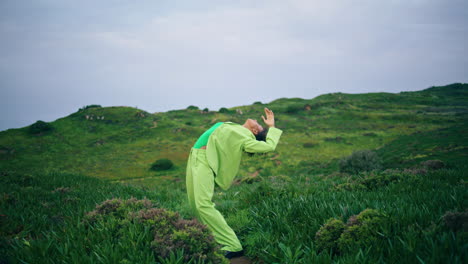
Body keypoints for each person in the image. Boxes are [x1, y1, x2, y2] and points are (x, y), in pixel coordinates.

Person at [186, 108, 283, 259]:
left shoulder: (246, 137)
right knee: (194, 204)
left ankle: (233, 245)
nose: (257, 121)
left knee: (203, 204)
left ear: (255, 131)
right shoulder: (235, 127)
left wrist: (271, 127)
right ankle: (209, 237)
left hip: (205, 161)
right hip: (195, 158)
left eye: (259, 124)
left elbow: (269, 146)